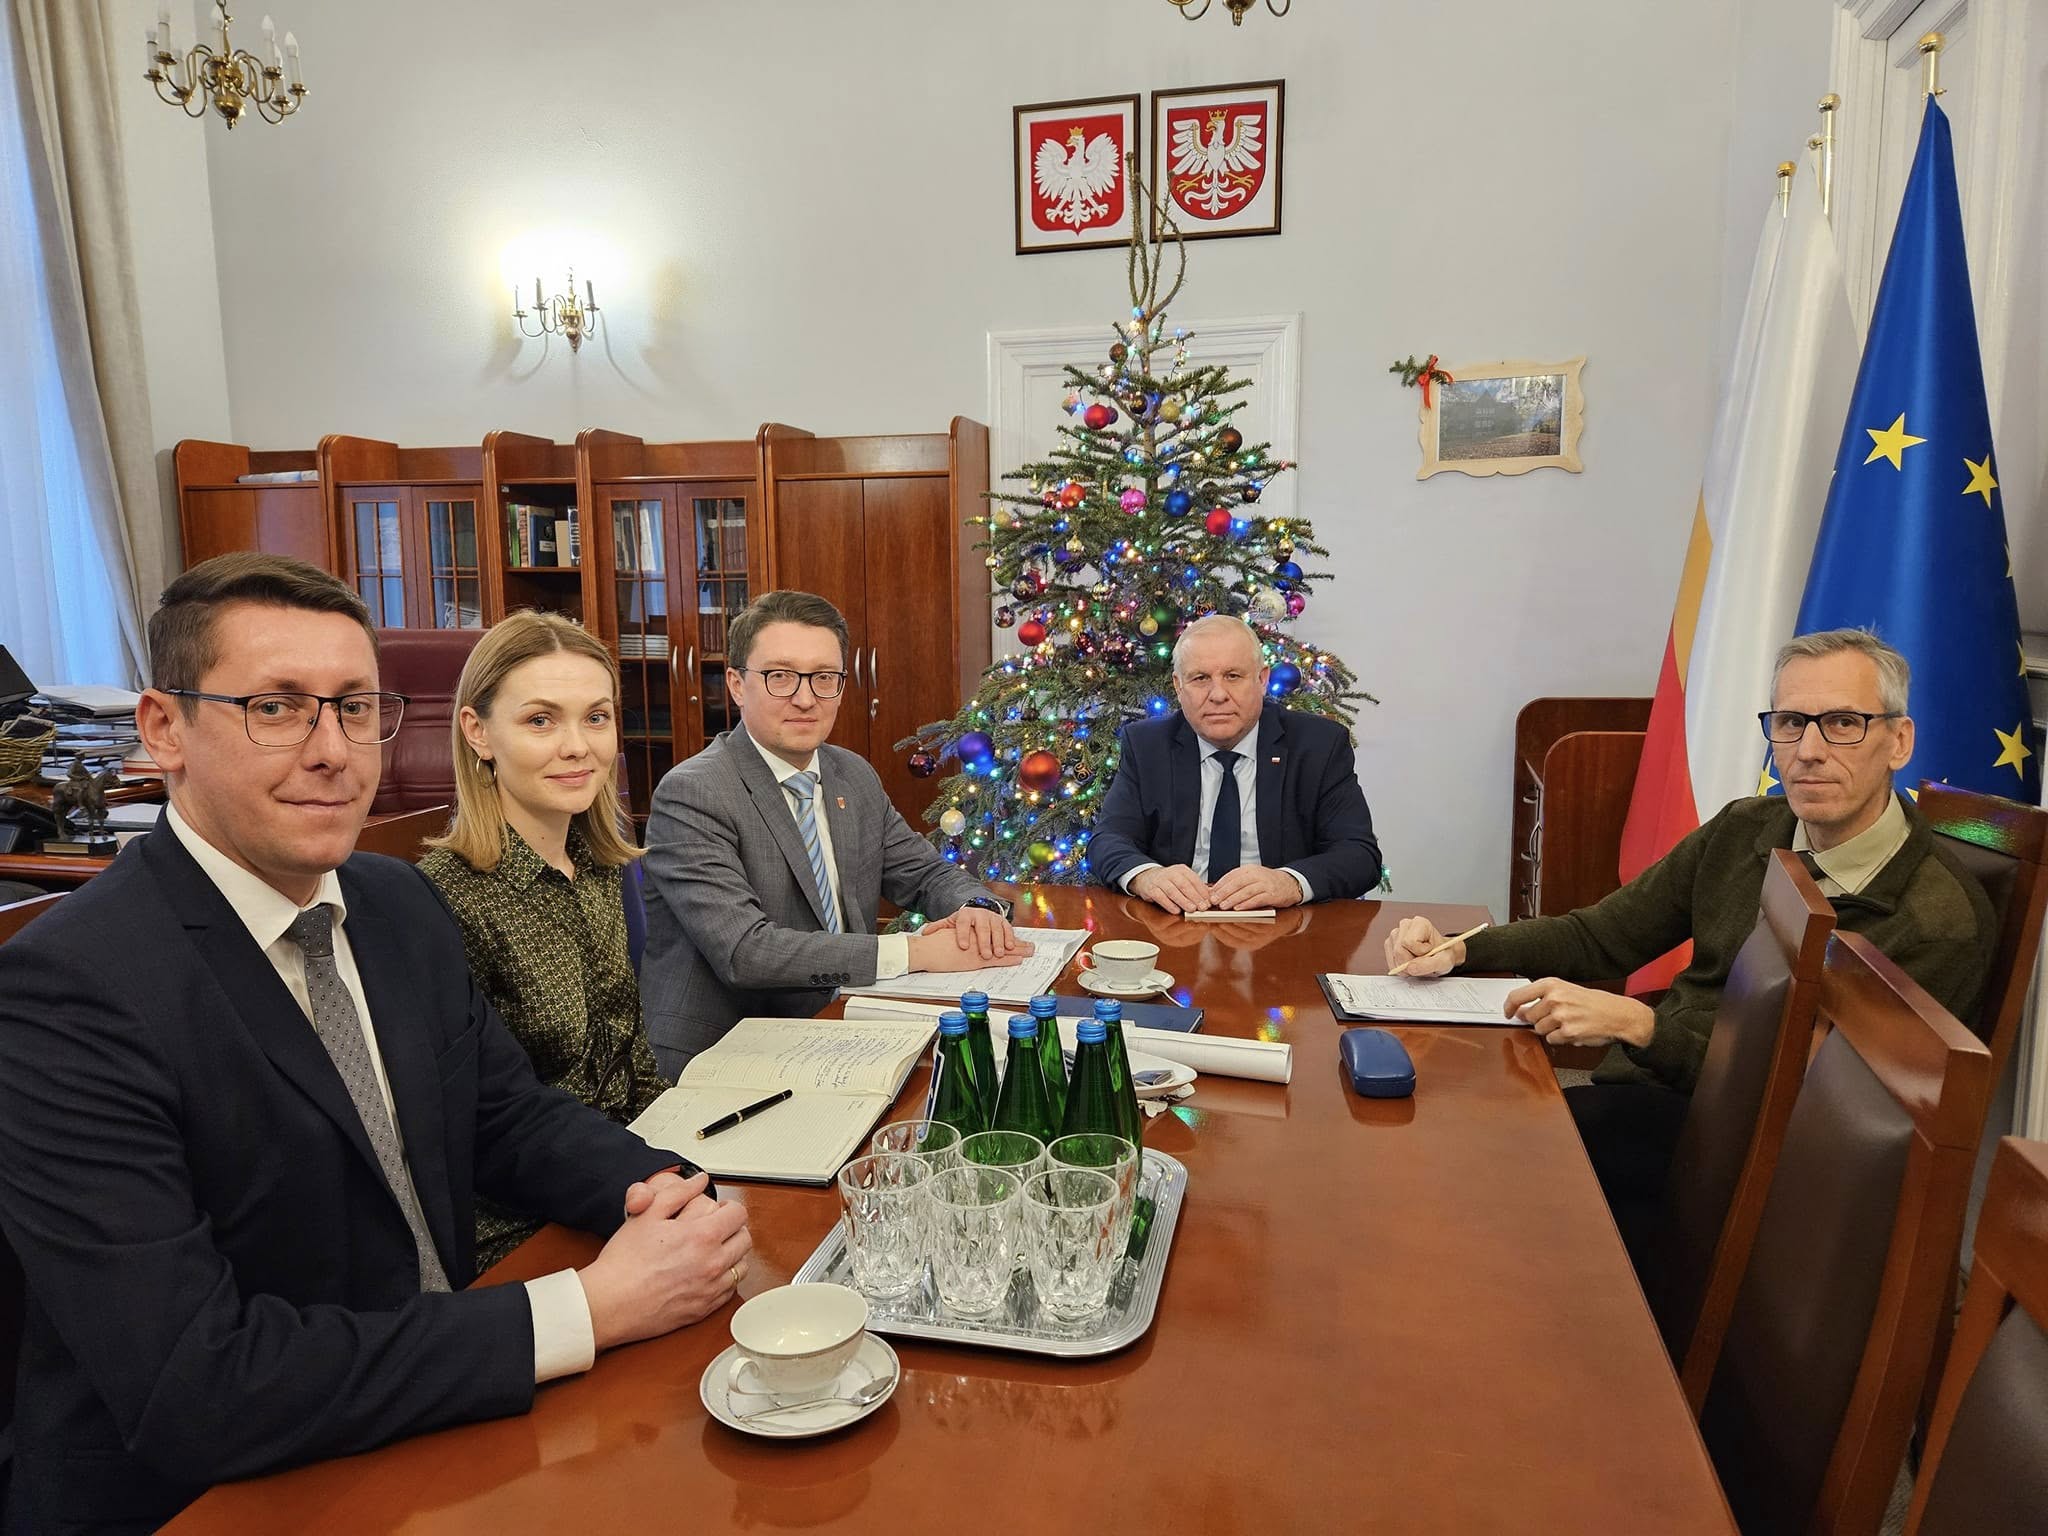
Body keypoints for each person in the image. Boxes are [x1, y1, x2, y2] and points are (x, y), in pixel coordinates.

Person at [0, 555, 751, 1534]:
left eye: (355, 707)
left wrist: (676, 1195)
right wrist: (589, 1309)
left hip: (441, 1412)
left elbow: (510, 1121)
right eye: (276, 707)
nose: (333, 750)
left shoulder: (393, 904)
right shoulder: (71, 991)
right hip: (224, 1494)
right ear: (164, 729)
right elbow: (195, 1383)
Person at [1384, 628, 1994, 1222]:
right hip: (1657, 1096)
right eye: (1789, 723)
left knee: (1494, 1161)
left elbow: (1824, 1103)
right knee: (1461, 1112)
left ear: (1899, 742)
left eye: (1843, 724)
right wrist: (1461, 949)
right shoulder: (1746, 827)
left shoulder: (1938, 922)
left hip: (1768, 1159)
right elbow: (1603, 936)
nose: (1809, 750)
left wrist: (1644, 1027)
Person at [640, 590, 1022, 1074]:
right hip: (730, 1050)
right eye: (780, 677)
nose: (805, 698)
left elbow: (924, 873)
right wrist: (918, 951)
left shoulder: (851, 774)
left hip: (847, 1025)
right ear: (737, 684)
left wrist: (977, 909)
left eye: (824, 678)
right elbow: (746, 951)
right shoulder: (694, 792)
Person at [419, 610, 672, 1271]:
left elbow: (629, 1055)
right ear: (478, 733)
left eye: (596, 717)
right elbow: (478, 1132)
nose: (578, 745)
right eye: (541, 720)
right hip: (520, 1230)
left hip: (630, 1179)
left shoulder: (600, 867)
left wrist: (684, 1160)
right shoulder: (442, 900)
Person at [1089, 613, 1382, 912]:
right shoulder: (1147, 745)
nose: (1218, 695)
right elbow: (1107, 840)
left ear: (1262, 680)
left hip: (1282, 933)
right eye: (1200, 678)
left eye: (1233, 676)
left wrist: (1290, 882)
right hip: (1175, 929)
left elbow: (1359, 854)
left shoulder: (1318, 745)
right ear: (1178, 686)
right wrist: (1149, 877)